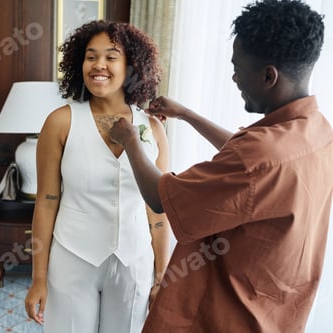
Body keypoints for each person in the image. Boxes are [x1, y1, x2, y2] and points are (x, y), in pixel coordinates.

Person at [109, 0, 333, 332]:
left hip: (225, 316)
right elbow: (255, 164)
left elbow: (160, 197)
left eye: (237, 67)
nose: (233, 77)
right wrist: (188, 115)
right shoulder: (318, 132)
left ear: (268, 76)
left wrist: (128, 138)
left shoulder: (257, 156)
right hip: (276, 313)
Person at [24, 20, 170, 332]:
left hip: (134, 261)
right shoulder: (60, 122)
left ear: (131, 65)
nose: (98, 65)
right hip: (72, 259)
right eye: (91, 57)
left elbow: (158, 210)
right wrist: (38, 278)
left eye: (111, 57)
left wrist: (162, 274)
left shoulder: (154, 129)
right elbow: (46, 202)